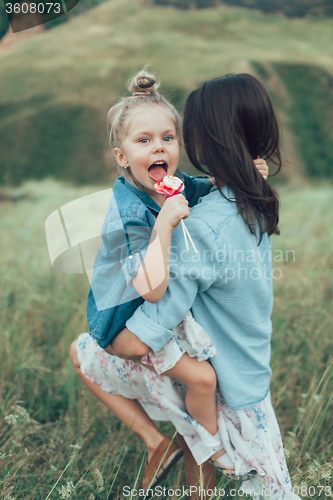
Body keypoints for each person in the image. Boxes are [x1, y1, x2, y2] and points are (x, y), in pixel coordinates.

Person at [70, 70, 269, 494]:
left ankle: (181, 452)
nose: (158, 146)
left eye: (167, 137)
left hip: (159, 321)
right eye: (143, 141)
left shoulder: (172, 186)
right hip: (124, 327)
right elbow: (152, 290)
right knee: (202, 381)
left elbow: (207, 188)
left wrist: (244, 174)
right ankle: (209, 446)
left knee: (194, 389)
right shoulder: (127, 217)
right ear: (121, 157)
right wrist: (162, 229)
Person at [110, 73, 301, 500]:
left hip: (230, 391)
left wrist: (112, 339)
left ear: (203, 139)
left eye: (176, 134)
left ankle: (168, 441)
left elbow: (144, 334)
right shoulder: (253, 194)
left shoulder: (203, 228)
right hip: (246, 371)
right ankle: (178, 448)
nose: (165, 147)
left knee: (86, 352)